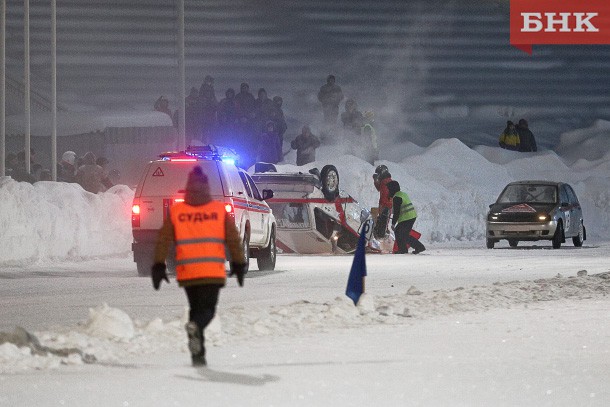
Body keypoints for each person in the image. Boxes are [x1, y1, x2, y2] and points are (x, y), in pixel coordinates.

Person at [151, 165, 247, 366]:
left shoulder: (177, 212)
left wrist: (158, 265)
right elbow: (233, 239)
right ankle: (196, 331)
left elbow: (163, 239)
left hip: (187, 273)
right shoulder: (218, 210)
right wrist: (238, 263)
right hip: (212, 271)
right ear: (206, 187)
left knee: (195, 309)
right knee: (207, 311)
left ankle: (198, 354)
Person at [387, 180, 426, 254]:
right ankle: (405, 249)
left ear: (392, 189)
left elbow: (397, 212)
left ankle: (416, 247)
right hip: (409, 217)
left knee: (402, 234)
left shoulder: (397, 197)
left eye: (389, 189)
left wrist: (393, 223)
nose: (388, 191)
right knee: (400, 233)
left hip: (407, 218)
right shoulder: (402, 194)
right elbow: (400, 208)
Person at [372, 164, 393, 238]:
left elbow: (384, 197)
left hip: (386, 207)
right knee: (382, 224)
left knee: (381, 226)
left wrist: (381, 208)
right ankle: (381, 236)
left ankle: (381, 239)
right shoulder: (386, 181)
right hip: (387, 206)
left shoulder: (386, 182)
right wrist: (375, 181)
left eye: (378, 174)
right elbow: (379, 189)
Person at [198, 75, 218, 144]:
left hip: (210, 116)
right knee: (205, 132)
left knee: (209, 133)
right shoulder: (204, 89)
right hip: (205, 116)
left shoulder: (211, 90)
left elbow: (215, 104)